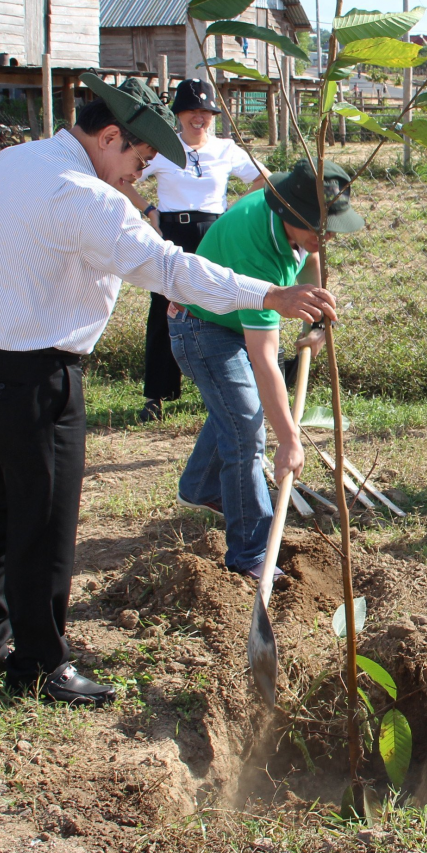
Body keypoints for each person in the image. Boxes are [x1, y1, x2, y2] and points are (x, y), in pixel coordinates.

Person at [0, 75, 338, 705]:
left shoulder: (12, 161)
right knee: (43, 520)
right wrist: (266, 295)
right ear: (108, 138)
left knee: (3, 502)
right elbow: (171, 269)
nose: (136, 177)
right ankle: (41, 665)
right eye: (138, 161)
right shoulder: (88, 198)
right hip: (37, 375)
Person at [169, 159, 360, 578]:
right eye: (320, 230)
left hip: (232, 320)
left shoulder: (287, 217)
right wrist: (290, 441)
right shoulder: (257, 251)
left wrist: (315, 317)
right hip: (202, 328)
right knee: (246, 432)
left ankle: (200, 488)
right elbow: (264, 360)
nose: (326, 239)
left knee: (236, 412)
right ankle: (252, 554)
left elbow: (308, 262)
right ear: (292, 216)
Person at [126, 79, 267, 424]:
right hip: (172, 231)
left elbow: (263, 177)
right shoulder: (162, 149)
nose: (199, 118)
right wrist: (149, 211)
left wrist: (233, 212)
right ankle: (157, 395)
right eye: (192, 111)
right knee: (164, 306)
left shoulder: (225, 149)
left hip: (215, 233)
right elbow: (121, 179)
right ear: (178, 115)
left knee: (221, 303)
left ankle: (228, 387)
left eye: (205, 112)